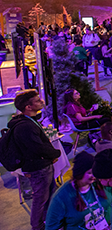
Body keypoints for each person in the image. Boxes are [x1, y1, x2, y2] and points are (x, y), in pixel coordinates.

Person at [9, 90, 61, 230]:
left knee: (48, 195)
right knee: (40, 199)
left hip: (42, 165)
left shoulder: (28, 121)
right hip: (38, 168)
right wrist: (55, 153)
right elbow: (37, 147)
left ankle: (48, 221)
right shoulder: (25, 126)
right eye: (37, 100)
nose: (42, 102)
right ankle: (37, 226)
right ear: (28, 107)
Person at [46, 152, 112, 230]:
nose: (94, 176)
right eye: (90, 173)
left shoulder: (101, 181)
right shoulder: (60, 197)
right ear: (80, 172)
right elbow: (51, 227)